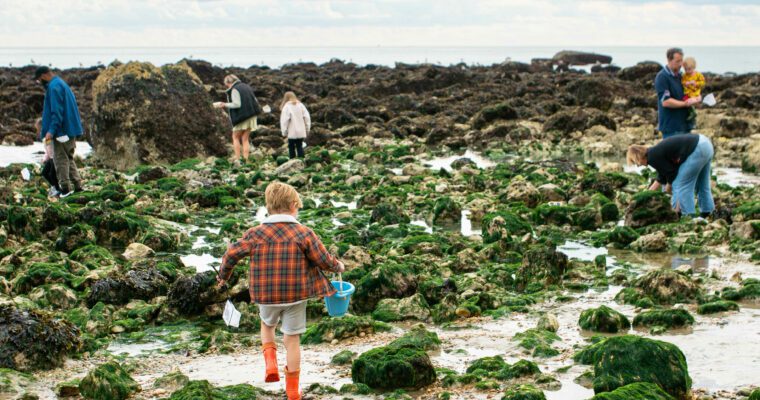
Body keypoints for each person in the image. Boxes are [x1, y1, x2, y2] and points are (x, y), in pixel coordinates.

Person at [216, 182, 345, 400]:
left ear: (268, 206)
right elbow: (322, 260)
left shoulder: (255, 234)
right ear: (294, 205)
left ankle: (271, 365)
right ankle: (293, 391)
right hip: (296, 294)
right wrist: (337, 266)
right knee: (292, 339)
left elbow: (230, 255)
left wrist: (223, 276)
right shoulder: (304, 232)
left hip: (266, 294)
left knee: (267, 325)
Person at [627, 133, 714, 218]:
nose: (638, 165)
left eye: (635, 162)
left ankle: (685, 215)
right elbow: (662, 175)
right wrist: (648, 193)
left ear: (638, 157)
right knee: (702, 184)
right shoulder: (654, 152)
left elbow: (671, 173)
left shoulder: (652, 157)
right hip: (705, 143)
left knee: (680, 184)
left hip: (696, 149)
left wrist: (669, 186)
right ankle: (707, 212)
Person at [36, 66, 84, 197]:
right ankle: (78, 185)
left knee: (60, 159)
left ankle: (65, 189)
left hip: (61, 131)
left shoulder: (53, 87)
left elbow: (56, 112)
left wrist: (51, 131)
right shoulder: (61, 84)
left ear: (44, 75)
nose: (40, 83)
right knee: (69, 157)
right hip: (71, 129)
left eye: (39, 80)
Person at [654, 48, 701, 139]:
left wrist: (696, 98)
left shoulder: (682, 76)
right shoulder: (662, 77)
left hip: (685, 126)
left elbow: (690, 93)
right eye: (677, 61)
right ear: (669, 60)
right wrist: (685, 104)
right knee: (672, 153)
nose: (680, 64)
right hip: (671, 128)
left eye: (681, 61)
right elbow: (665, 101)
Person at [213, 74, 261, 165]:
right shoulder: (246, 86)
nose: (227, 86)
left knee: (235, 137)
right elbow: (255, 100)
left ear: (229, 82)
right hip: (252, 115)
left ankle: (238, 159)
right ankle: (246, 160)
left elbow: (237, 104)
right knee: (245, 138)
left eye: (226, 84)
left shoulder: (235, 89)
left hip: (242, 117)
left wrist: (224, 104)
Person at [279, 92, 311, 159]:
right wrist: (307, 128)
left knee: (291, 147)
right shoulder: (301, 105)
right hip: (301, 130)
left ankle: (292, 161)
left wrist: (284, 131)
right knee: (299, 146)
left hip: (292, 131)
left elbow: (284, 121)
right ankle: (302, 160)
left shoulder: (286, 107)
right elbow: (307, 117)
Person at [36, 117, 60, 196]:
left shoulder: (49, 135)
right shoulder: (44, 137)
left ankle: (57, 189)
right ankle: (54, 187)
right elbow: (47, 150)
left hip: (55, 157)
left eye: (38, 128)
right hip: (51, 158)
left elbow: (51, 148)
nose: (38, 130)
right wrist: (44, 159)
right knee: (44, 173)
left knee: (52, 174)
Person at [681, 57, 705, 130]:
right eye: (685, 69)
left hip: (695, 93)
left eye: (689, 69)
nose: (687, 71)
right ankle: (692, 112)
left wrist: (696, 83)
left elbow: (703, 83)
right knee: (686, 101)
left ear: (694, 67)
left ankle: (693, 114)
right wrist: (686, 83)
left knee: (692, 101)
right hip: (687, 92)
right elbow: (682, 82)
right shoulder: (685, 75)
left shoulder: (698, 75)